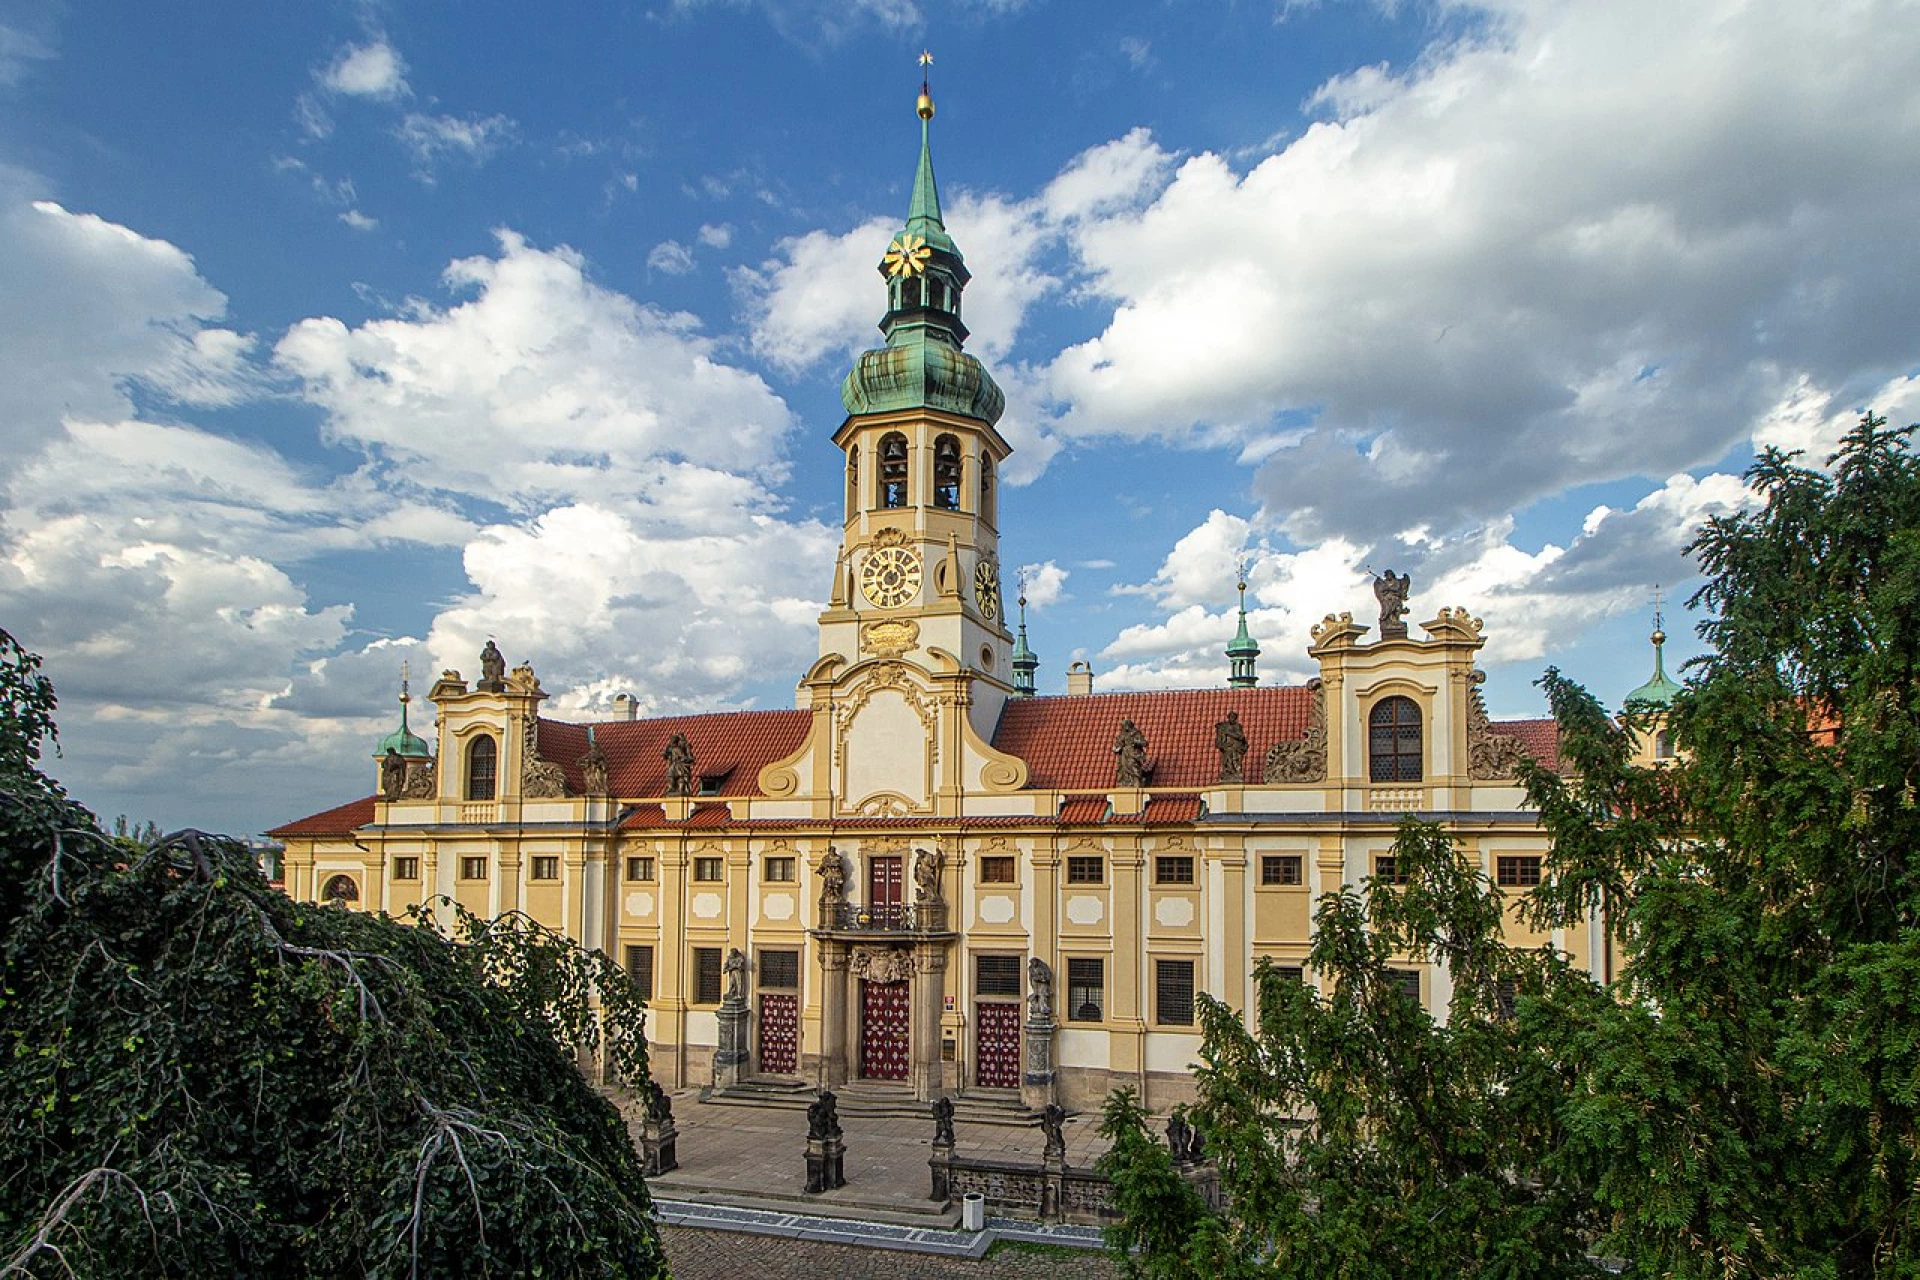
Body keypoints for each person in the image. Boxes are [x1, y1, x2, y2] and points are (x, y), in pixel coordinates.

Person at [1214, 711, 1249, 783]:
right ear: (1229, 718)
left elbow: (1241, 737)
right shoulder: (1224, 727)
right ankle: (1229, 771)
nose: (1232, 719)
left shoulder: (1238, 726)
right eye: (1231, 717)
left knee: (1236, 761)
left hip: (1237, 748)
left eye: (1234, 717)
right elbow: (1219, 740)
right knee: (1228, 761)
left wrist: (1229, 733)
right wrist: (1223, 745)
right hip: (1228, 748)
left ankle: (1235, 772)